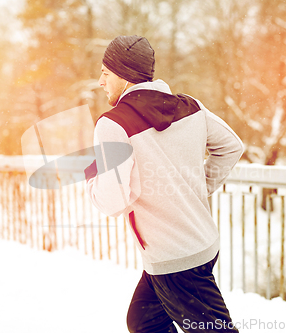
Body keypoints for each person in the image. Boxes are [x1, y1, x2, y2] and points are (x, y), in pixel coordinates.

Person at [84, 35, 243, 333]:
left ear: (124, 74)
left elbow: (112, 201)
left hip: (175, 260)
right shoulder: (191, 107)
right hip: (202, 243)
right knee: (144, 321)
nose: (100, 81)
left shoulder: (113, 124)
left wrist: (92, 175)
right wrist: (195, 191)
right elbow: (231, 146)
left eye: (105, 73)